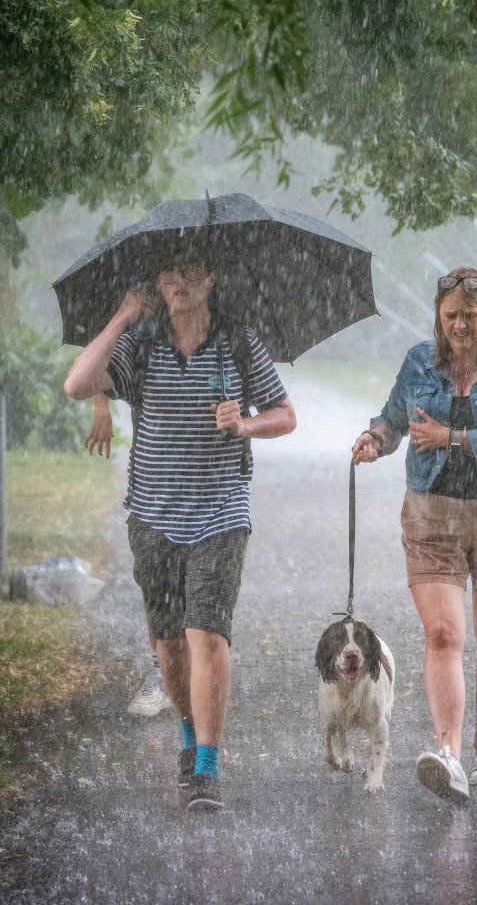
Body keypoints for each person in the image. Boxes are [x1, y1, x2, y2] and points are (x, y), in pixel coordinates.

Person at [64, 252, 296, 810]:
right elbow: (77, 384)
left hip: (221, 510)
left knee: (208, 637)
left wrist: (245, 423)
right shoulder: (140, 343)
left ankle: (208, 768)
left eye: (191, 271)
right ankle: (189, 737)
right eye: (169, 272)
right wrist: (121, 316)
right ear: (157, 282)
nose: (179, 282)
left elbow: (286, 414)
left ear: (212, 277)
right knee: (169, 645)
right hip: (153, 514)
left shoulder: (237, 341)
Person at [352, 266, 477, 804]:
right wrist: (375, 437)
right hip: (431, 513)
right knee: (442, 634)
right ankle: (449, 756)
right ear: (439, 314)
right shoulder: (419, 361)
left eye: (470, 315)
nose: (459, 325)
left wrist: (453, 437)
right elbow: (393, 418)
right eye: (450, 314)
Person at [85, 392, 172, 718]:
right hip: (151, 485)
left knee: (198, 590)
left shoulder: (226, 348)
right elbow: (97, 368)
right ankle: (162, 671)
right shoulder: (146, 343)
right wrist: (101, 404)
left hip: (210, 490)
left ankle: (195, 669)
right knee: (155, 585)